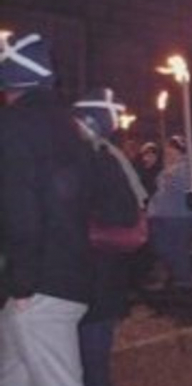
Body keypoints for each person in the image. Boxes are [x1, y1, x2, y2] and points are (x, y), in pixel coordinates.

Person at [0, 31, 94, 386]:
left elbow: (20, 207)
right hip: (66, 275)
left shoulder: (14, 126)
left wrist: (22, 284)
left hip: (39, 283)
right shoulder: (68, 128)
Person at [72, 88, 146, 386]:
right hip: (79, 281)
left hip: (96, 279)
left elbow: (129, 213)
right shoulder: (86, 158)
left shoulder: (103, 161)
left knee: (92, 363)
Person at [146, 135, 192, 303]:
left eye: (171, 148)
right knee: (162, 248)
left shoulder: (189, 168)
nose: (168, 152)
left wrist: (171, 177)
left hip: (179, 215)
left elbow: (188, 188)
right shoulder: (167, 168)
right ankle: (175, 278)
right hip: (162, 214)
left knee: (177, 251)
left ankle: (185, 284)